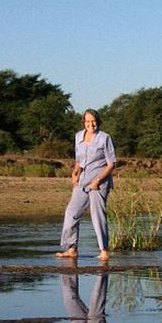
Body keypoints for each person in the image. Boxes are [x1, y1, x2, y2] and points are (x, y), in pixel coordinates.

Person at [56, 109, 116, 261]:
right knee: (71, 213)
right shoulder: (78, 136)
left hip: (99, 183)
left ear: (98, 121)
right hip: (82, 181)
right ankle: (71, 249)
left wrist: (97, 180)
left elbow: (111, 164)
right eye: (88, 121)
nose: (91, 124)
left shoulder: (104, 138)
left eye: (94, 121)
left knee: (98, 216)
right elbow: (79, 160)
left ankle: (104, 251)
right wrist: (75, 173)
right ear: (84, 122)